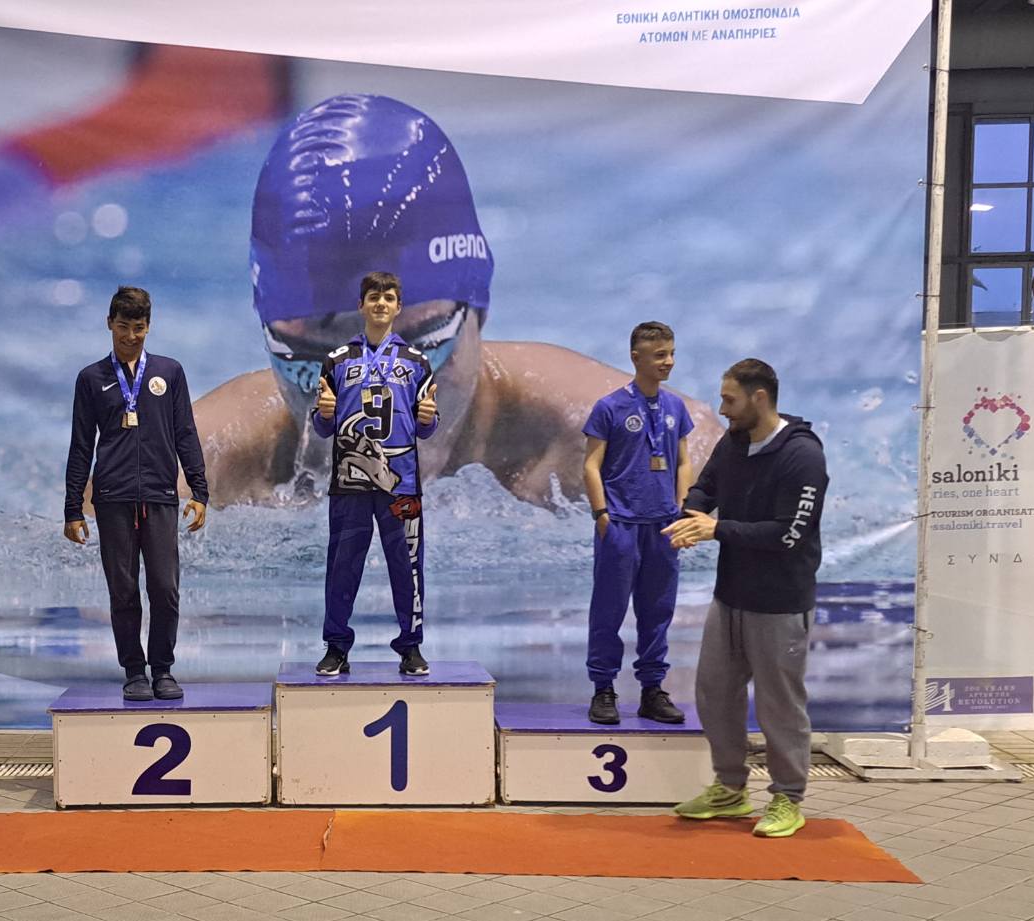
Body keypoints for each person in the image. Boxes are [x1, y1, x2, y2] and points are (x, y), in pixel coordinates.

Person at [195, 93, 721, 507]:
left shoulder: (646, 454)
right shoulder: (199, 472)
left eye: (417, 345)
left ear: (477, 308)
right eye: (315, 355)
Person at [664, 359, 828, 838]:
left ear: (760, 398)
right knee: (714, 693)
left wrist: (716, 529)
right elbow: (706, 487)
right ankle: (731, 789)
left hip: (780, 603)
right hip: (730, 596)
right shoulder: (733, 442)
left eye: (730, 400)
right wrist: (691, 514)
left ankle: (787, 798)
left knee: (780, 704)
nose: (722, 409)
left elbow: (788, 535)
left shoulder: (802, 457)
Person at [65, 287, 209, 701]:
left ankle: (163, 668)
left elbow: (185, 433)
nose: (131, 336)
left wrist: (199, 490)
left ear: (150, 327)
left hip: (162, 496)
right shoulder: (91, 378)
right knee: (123, 591)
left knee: (165, 589)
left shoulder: (169, 372)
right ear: (109, 323)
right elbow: (80, 445)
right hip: (112, 498)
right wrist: (73, 507)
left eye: (139, 328)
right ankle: (134, 670)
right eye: (124, 327)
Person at [313, 272, 438, 677]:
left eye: (388, 298)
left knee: (407, 564)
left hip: (401, 479)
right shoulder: (336, 361)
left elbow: (426, 427)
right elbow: (321, 425)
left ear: (399, 306)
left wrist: (428, 420)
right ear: (361, 305)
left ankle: (411, 646)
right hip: (350, 480)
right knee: (343, 564)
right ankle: (336, 647)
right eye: (373, 297)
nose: (380, 304)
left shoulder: (417, 363)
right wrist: (324, 414)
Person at [583, 321, 693, 725]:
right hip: (621, 524)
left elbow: (684, 461)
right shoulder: (610, 407)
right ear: (636, 357)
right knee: (609, 610)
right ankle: (603, 689)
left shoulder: (676, 408)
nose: (668, 362)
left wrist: (682, 507)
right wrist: (601, 514)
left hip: (663, 525)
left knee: (658, 610)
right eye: (660, 355)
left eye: (671, 353)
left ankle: (652, 689)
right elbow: (591, 465)